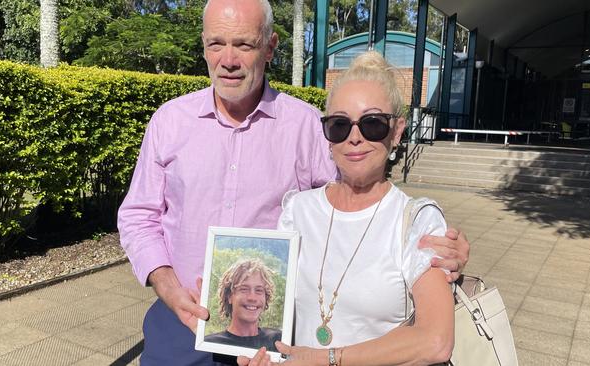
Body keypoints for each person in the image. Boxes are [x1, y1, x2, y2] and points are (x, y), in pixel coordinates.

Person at [117, 0, 469, 364]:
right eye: (216, 43)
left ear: (270, 47)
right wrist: (168, 286)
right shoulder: (169, 122)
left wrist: (431, 247)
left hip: (269, 336)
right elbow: (138, 216)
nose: (229, 59)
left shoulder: (307, 127)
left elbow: (360, 198)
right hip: (179, 321)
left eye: (244, 44)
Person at [241, 52, 455, 366]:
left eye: (372, 124)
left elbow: (435, 341)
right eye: (340, 125)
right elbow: (275, 313)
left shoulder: (417, 221)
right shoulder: (297, 210)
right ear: (327, 136)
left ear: (396, 132)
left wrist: (327, 359)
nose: (354, 138)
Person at [205, 259, 281, 352]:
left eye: (259, 290)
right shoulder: (211, 345)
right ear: (229, 296)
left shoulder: (278, 341)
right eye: (244, 289)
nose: (252, 298)